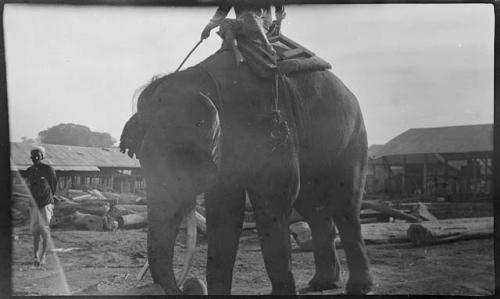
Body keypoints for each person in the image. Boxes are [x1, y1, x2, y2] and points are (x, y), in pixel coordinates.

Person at [201, 3, 286, 55]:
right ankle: (235, 50)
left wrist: (279, 25)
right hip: (242, 25)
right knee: (225, 22)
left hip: (262, 24)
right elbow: (221, 13)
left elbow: (279, 8)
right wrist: (208, 28)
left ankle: (267, 45)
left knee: (249, 16)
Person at [25, 146, 57, 266]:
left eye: (38, 155)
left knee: (44, 230)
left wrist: (48, 200)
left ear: (42, 156)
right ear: (31, 157)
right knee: (35, 231)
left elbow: (53, 187)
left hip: (45, 204)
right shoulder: (29, 170)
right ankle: (35, 256)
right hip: (33, 205)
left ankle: (43, 256)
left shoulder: (48, 169)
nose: (36, 157)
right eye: (33, 155)